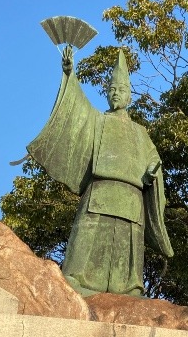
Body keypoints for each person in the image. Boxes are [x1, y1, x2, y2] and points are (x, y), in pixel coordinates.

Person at [27, 46, 173, 296]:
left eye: (122, 91)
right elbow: (76, 109)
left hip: (130, 198)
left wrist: (151, 173)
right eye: (113, 90)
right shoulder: (97, 120)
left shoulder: (140, 133)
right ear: (107, 94)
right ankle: (77, 279)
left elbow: (153, 163)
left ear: (130, 97)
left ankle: (129, 287)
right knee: (87, 235)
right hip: (99, 191)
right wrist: (69, 74)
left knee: (128, 247)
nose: (117, 94)